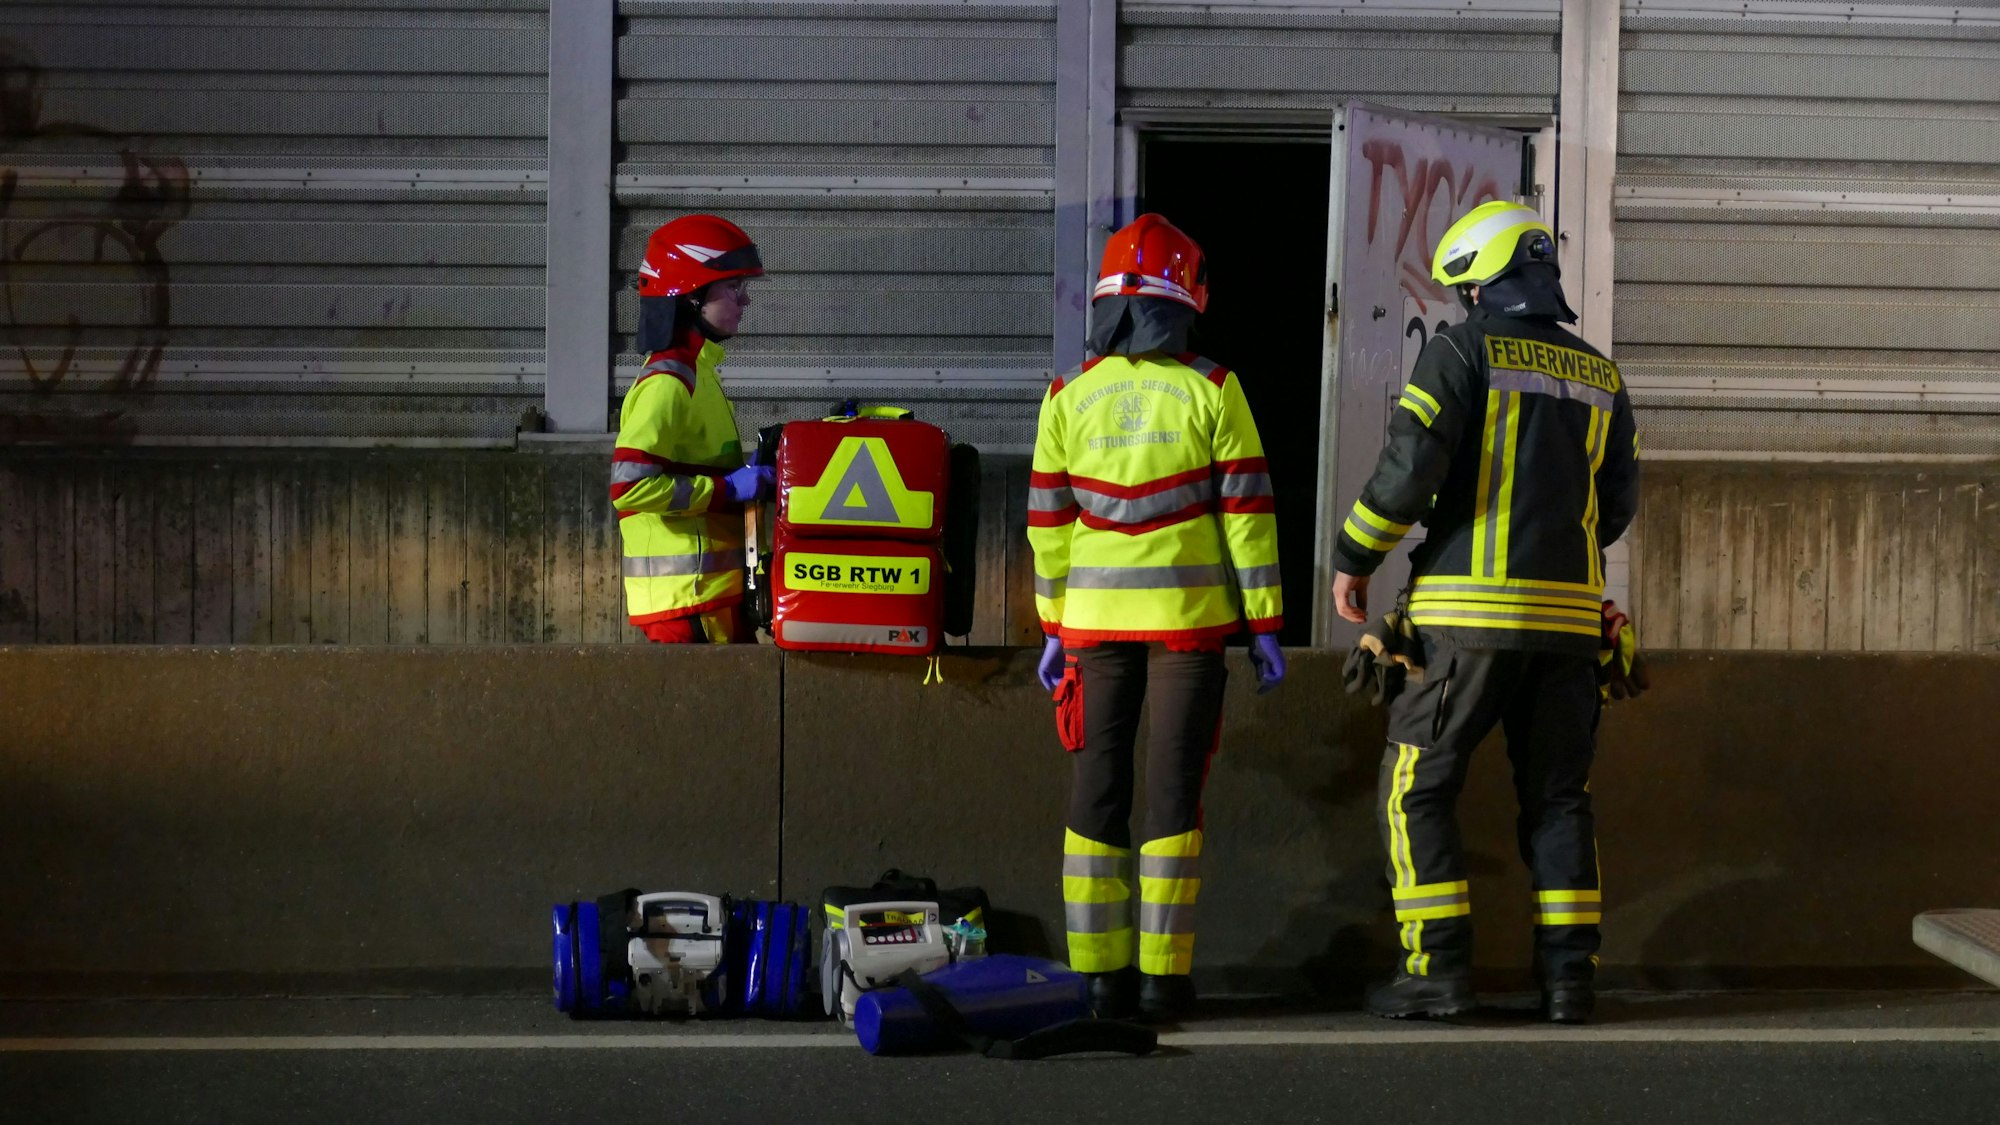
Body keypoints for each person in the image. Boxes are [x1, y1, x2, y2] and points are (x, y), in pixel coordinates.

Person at [1330, 200, 1640, 1023]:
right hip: (1572, 628)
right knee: (1559, 798)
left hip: (1466, 625)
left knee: (1414, 787)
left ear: (1483, 283)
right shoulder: (1602, 376)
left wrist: (1354, 557)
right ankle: (1570, 980)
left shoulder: (1460, 352)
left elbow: (1407, 470)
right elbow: (1615, 508)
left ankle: (1438, 971)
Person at [1028, 213, 1287, 1022]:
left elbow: (1047, 520)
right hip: (1189, 627)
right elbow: (1248, 511)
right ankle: (1160, 978)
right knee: (1173, 791)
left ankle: (1096, 978)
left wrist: (1052, 623)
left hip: (1092, 628)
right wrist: (1265, 621)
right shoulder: (1213, 388)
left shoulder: (1067, 394)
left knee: (1096, 787)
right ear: (1187, 300)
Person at [610, 214, 774, 644]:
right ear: (691, 296)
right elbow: (629, 487)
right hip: (688, 605)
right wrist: (726, 490)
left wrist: (741, 477)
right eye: (732, 288)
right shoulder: (669, 382)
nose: (745, 301)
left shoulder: (699, 374)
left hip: (709, 597)